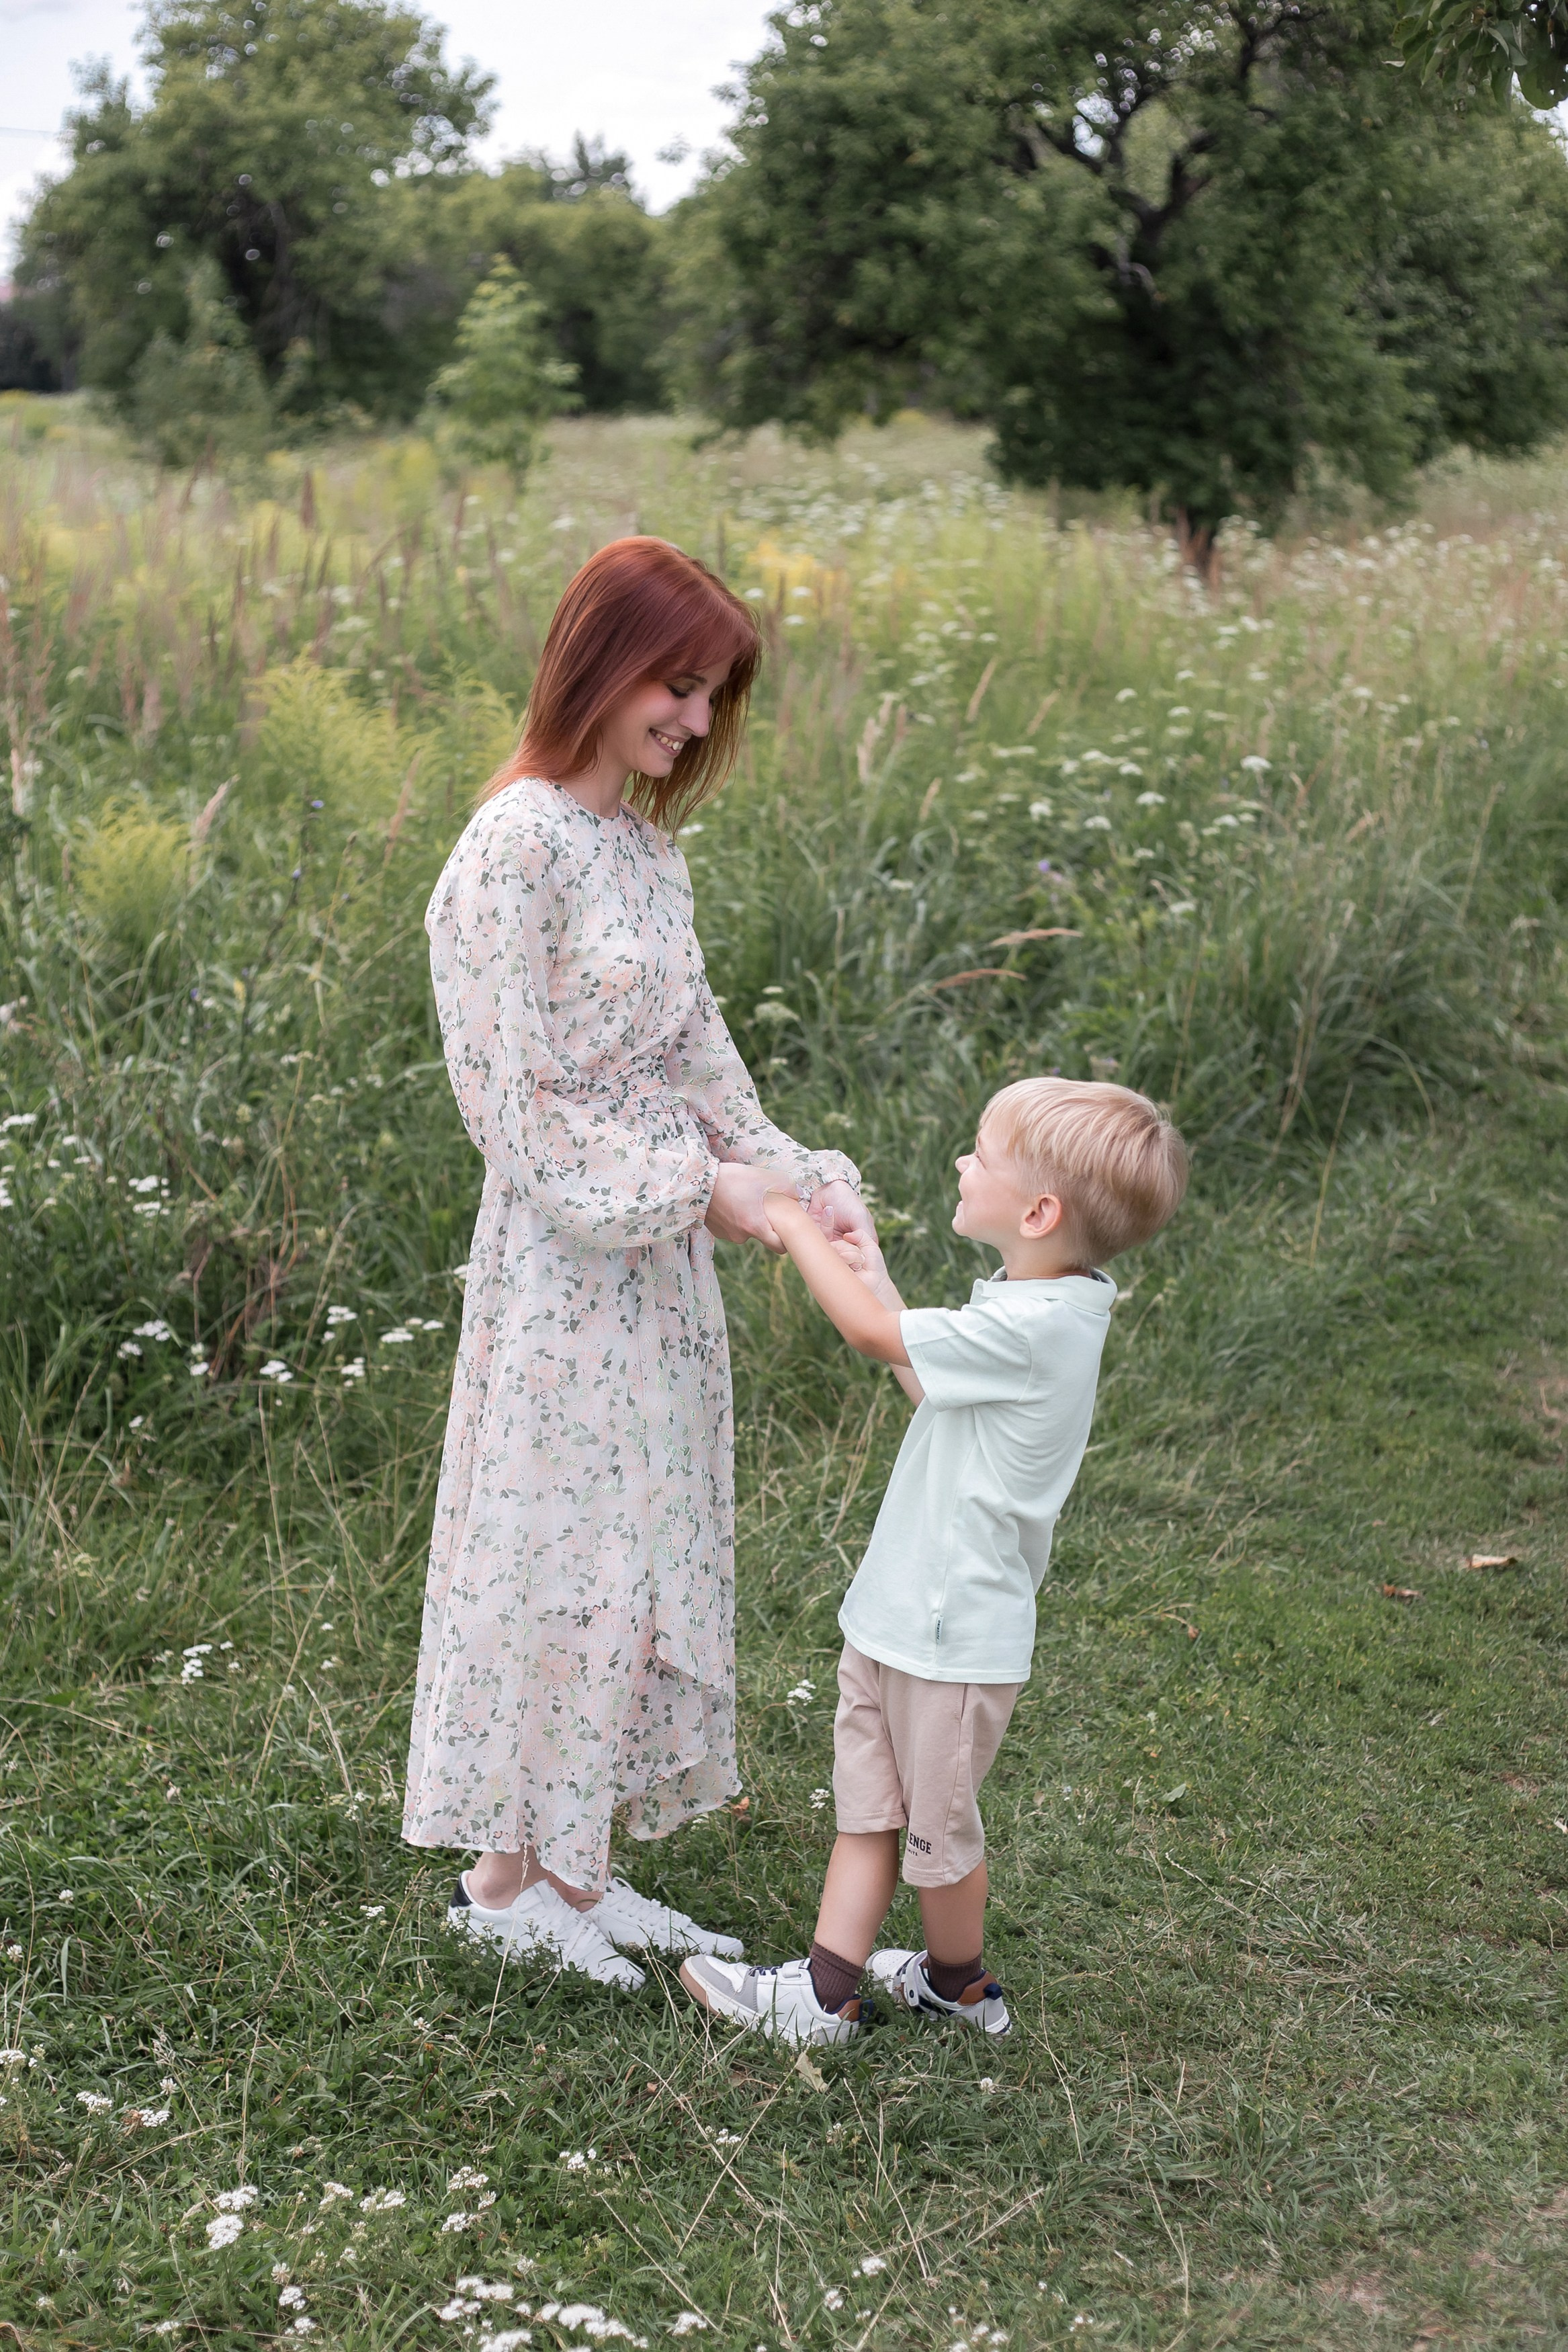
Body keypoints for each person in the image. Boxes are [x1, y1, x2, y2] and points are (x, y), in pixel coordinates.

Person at [403, 536, 873, 1987]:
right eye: (677, 683)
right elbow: (514, 1100)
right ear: (601, 664)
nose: (692, 718)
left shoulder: (648, 852)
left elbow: (695, 1050)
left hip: (656, 1272)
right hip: (565, 1259)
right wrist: (698, 1188)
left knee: (637, 1557)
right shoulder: (516, 842)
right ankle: (504, 1883)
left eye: (713, 694)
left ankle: (578, 1872)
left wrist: (797, 1179)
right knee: (558, 1549)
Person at [680, 1077, 1189, 2042]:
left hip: (949, 1633)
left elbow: (873, 1341)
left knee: (937, 1835)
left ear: (1038, 1212)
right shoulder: (1040, 1301)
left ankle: (867, 1995)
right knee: (872, 1808)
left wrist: (784, 1215)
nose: (962, 1162)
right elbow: (930, 1382)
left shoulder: (1039, 1326)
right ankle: (926, 1985)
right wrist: (871, 1269)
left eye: (981, 1155)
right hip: (905, 1617)